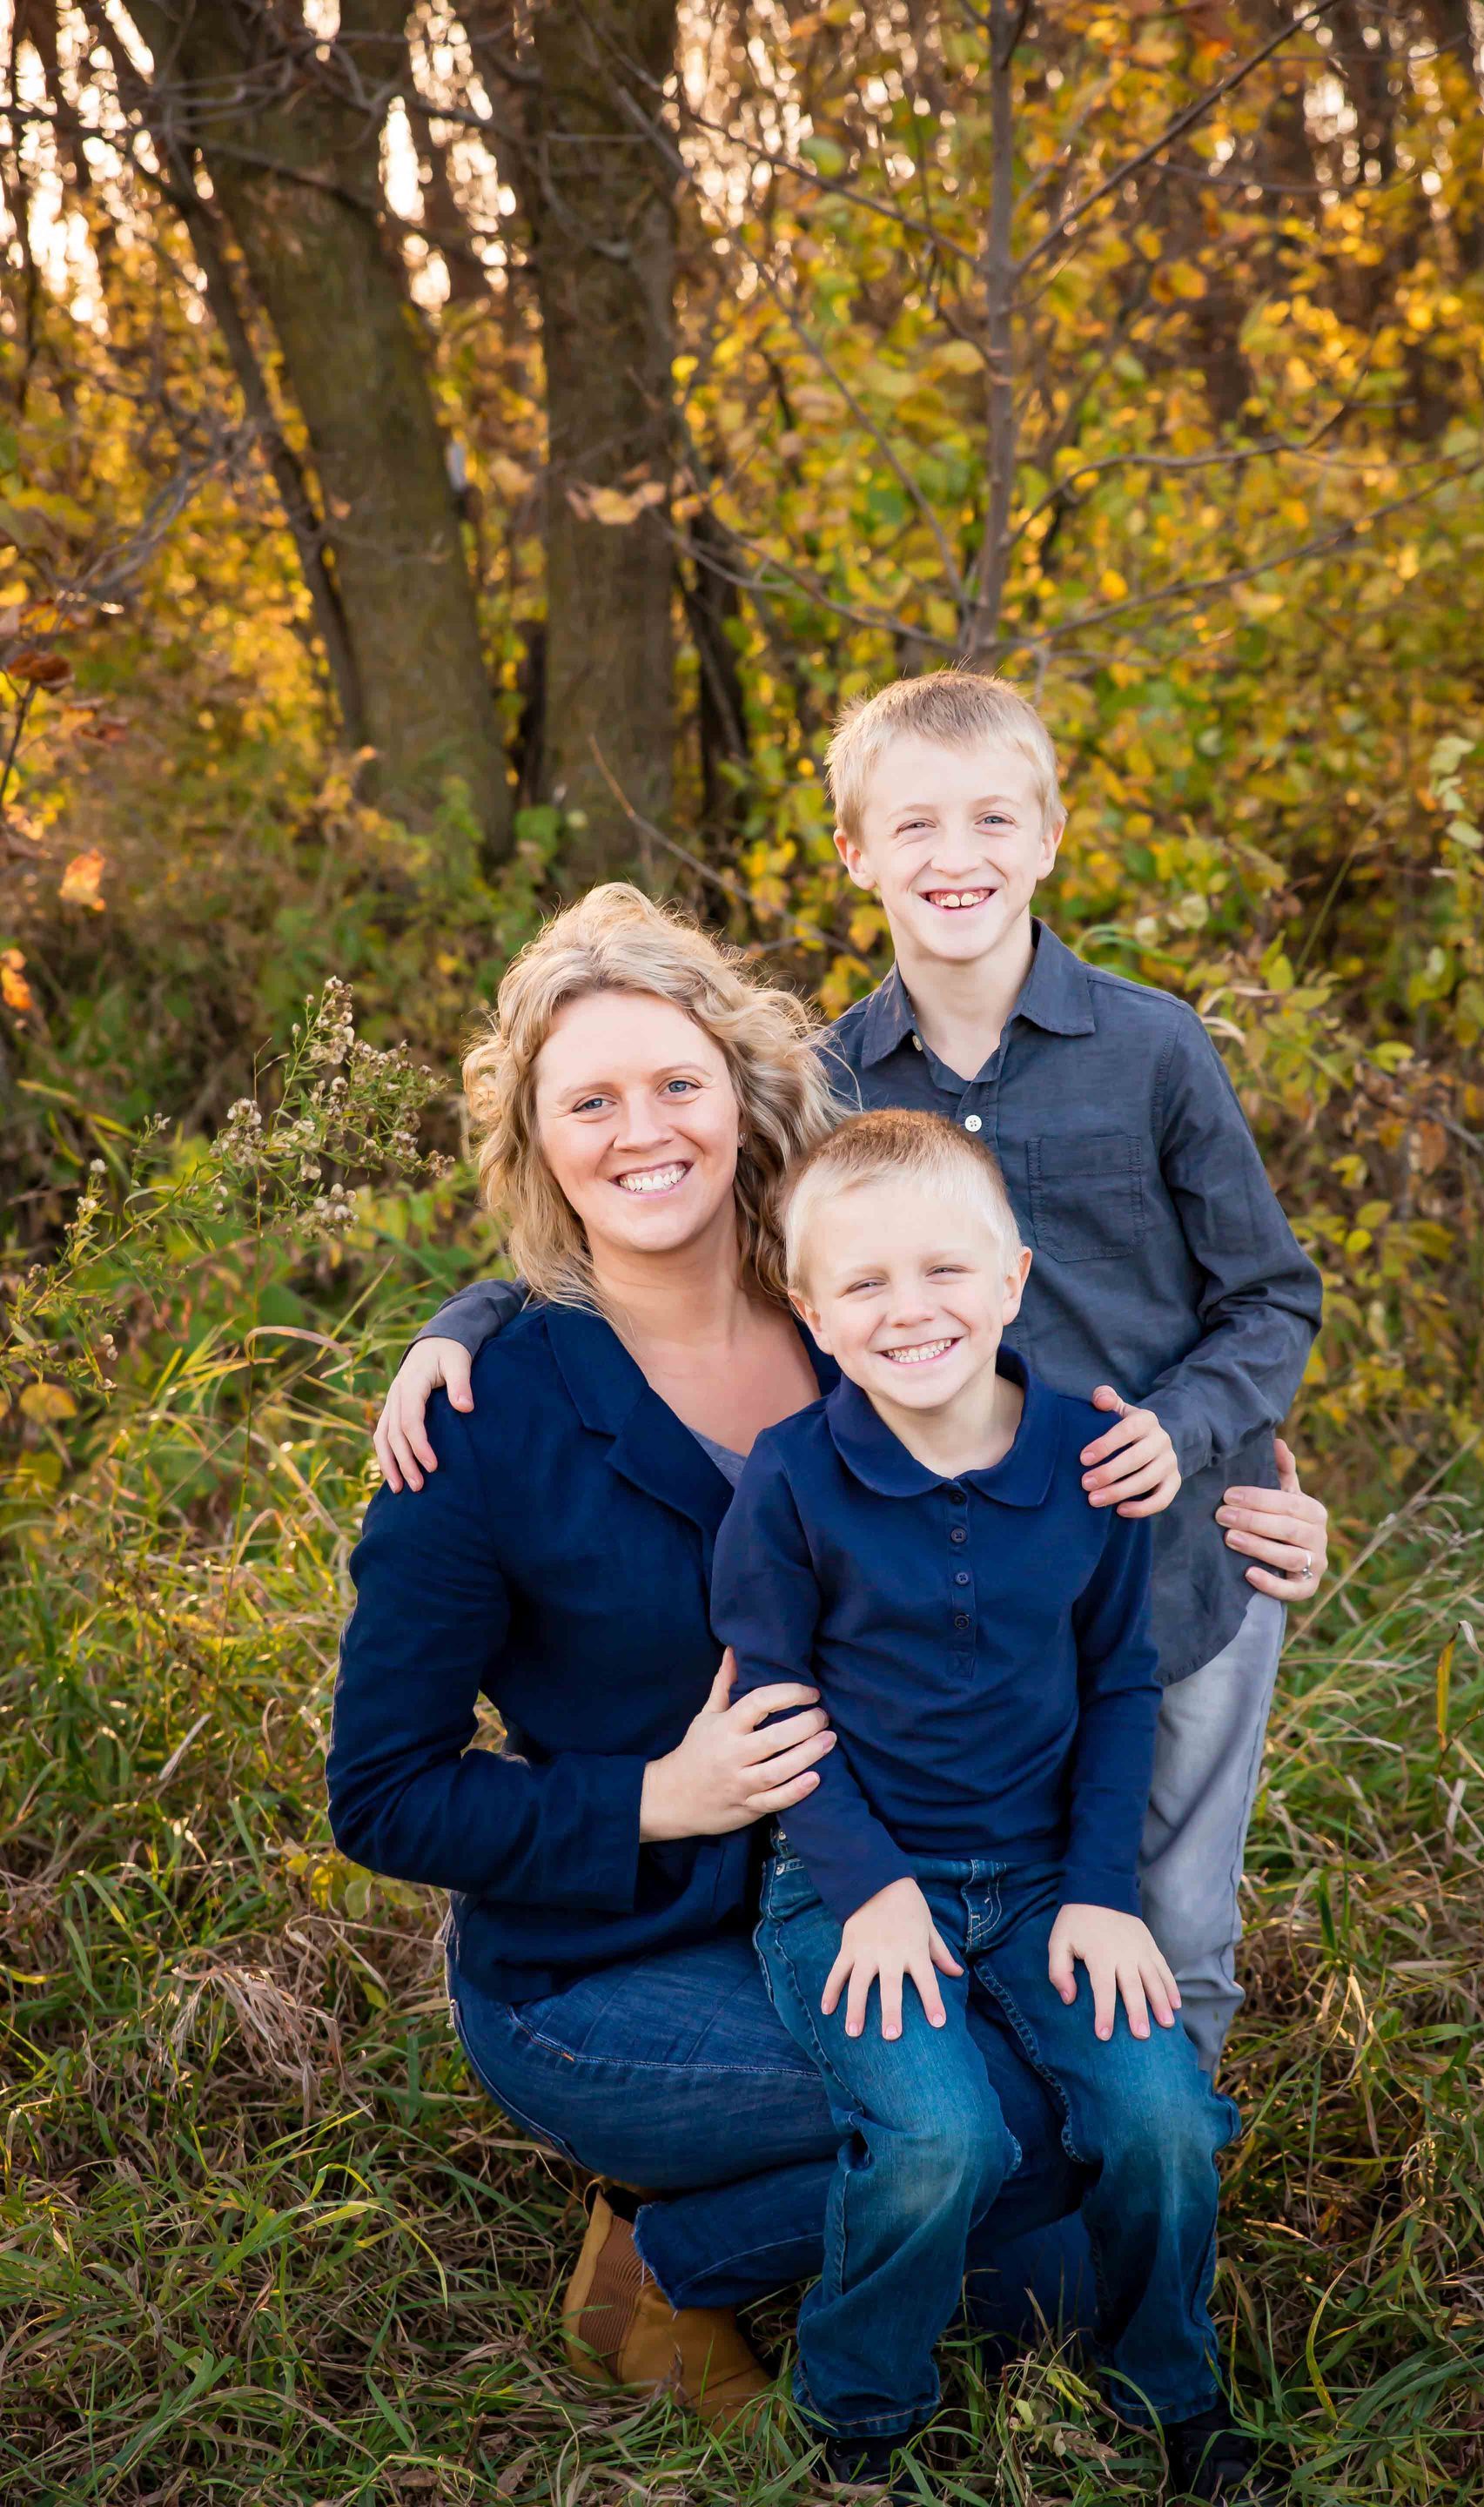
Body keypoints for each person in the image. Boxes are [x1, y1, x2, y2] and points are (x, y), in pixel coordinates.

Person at [327, 885, 1184, 2439]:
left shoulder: (859, 1314)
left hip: (898, 1893)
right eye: (587, 1101)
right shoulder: (483, 1416)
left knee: (1061, 2269)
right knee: (1002, 2124)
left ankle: (762, 2222)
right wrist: (658, 1795)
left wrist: (1236, 1479)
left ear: (744, 1095)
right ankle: (664, 2263)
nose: (640, 1131)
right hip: (621, 1962)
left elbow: (1068, 1468)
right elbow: (380, 1795)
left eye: (676, 1084)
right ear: (536, 1143)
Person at [383, 669, 1326, 2080]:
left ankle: (1154, 2218)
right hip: (953, 1616)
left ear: (1052, 835)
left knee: (1166, 1925)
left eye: (995, 819)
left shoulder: (1153, 1047)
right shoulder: (831, 1083)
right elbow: (652, 1211)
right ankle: (1017, 2190)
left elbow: (1271, 1293)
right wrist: (465, 1318)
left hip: (1174, 1568)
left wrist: (1202, 1437)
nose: (959, 858)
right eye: (917, 826)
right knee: (1001, 1922)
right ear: (855, 854)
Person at [713, 1108, 1255, 2503]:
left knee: (1164, 2121)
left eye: (945, 1270)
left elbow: (1119, 1691)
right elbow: (771, 1708)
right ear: (814, 1315)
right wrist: (870, 1889)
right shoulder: (792, 1478)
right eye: (866, 1285)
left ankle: (1170, 2389)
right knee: (948, 2136)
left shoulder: (1085, 1459)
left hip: (1043, 1884)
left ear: (1012, 1278)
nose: (912, 1310)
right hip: (848, 1888)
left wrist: (1099, 1893)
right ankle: (860, 2418)